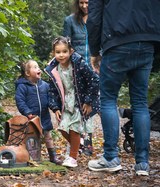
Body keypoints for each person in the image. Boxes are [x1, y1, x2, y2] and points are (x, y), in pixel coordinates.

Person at [86, 0, 160, 176]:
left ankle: (110, 157)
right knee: (140, 103)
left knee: (108, 99)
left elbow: (94, 17)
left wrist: (95, 51)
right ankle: (142, 163)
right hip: (147, 41)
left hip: (117, 41)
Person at [44, 36, 100, 167]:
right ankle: (78, 145)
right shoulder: (53, 69)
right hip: (65, 103)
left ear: (70, 51)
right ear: (54, 53)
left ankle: (73, 157)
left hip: (79, 102)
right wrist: (55, 108)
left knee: (74, 129)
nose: (61, 55)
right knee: (63, 128)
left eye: (64, 51)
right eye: (58, 52)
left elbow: (95, 80)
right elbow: (52, 90)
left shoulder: (79, 63)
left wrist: (88, 101)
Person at [63, 0, 97, 156]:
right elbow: (65, 45)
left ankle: (88, 142)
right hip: (76, 70)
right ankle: (78, 141)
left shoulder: (97, 18)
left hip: (94, 69)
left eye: (87, 2)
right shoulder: (70, 20)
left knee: (90, 105)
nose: (84, 6)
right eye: (81, 2)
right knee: (77, 105)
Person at [15, 59, 62, 165]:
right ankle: (33, 158)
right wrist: (27, 112)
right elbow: (20, 101)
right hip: (31, 118)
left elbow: (50, 99)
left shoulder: (45, 85)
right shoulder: (22, 86)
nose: (38, 69)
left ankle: (53, 156)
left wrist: (55, 108)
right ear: (27, 73)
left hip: (44, 117)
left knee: (48, 137)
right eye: (35, 67)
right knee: (33, 138)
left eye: (38, 67)